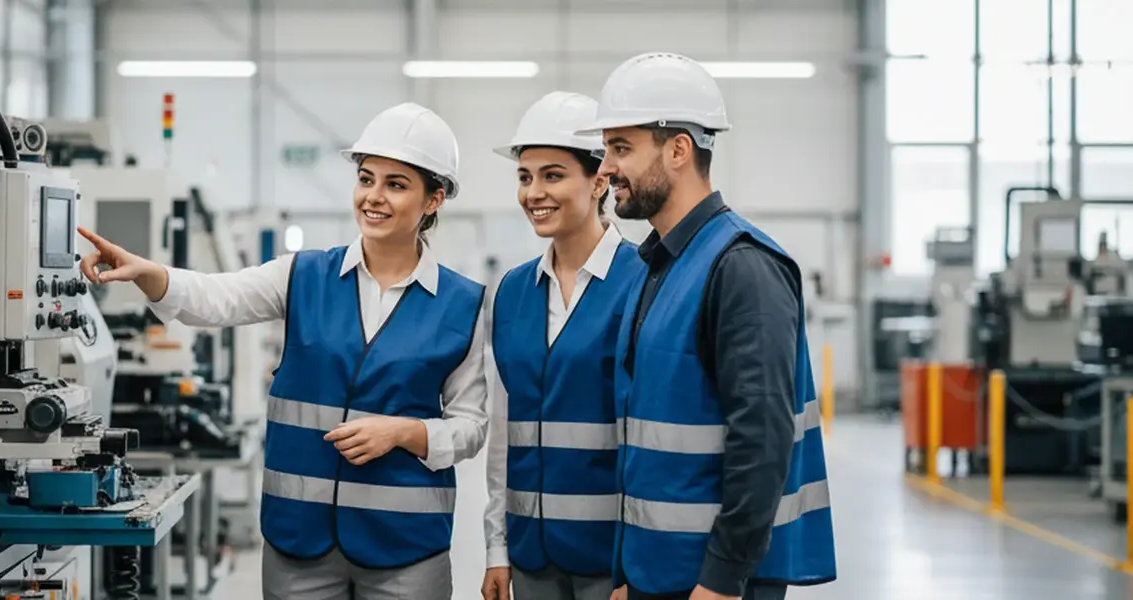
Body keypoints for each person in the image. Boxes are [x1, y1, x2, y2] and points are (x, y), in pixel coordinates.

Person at [77, 102, 489, 600]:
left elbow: (470, 426)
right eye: (366, 179)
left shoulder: (463, 304)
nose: (373, 197)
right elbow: (217, 297)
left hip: (405, 547)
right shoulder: (301, 276)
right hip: (300, 544)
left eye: (396, 184)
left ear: (433, 199)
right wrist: (150, 274)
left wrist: (405, 432)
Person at [578, 53, 838, 600]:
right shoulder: (660, 265)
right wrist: (630, 572)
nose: (604, 168)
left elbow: (762, 439)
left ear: (678, 149)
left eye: (620, 147)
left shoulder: (741, 268)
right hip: (659, 572)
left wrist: (721, 579)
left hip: (715, 583)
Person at [479, 91, 645, 600]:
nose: (534, 192)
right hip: (533, 556)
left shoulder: (646, 280)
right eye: (525, 177)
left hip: (613, 558)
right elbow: (505, 429)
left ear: (600, 181)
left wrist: (639, 565)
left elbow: (653, 441)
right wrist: (496, 548)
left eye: (553, 175)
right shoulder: (511, 292)